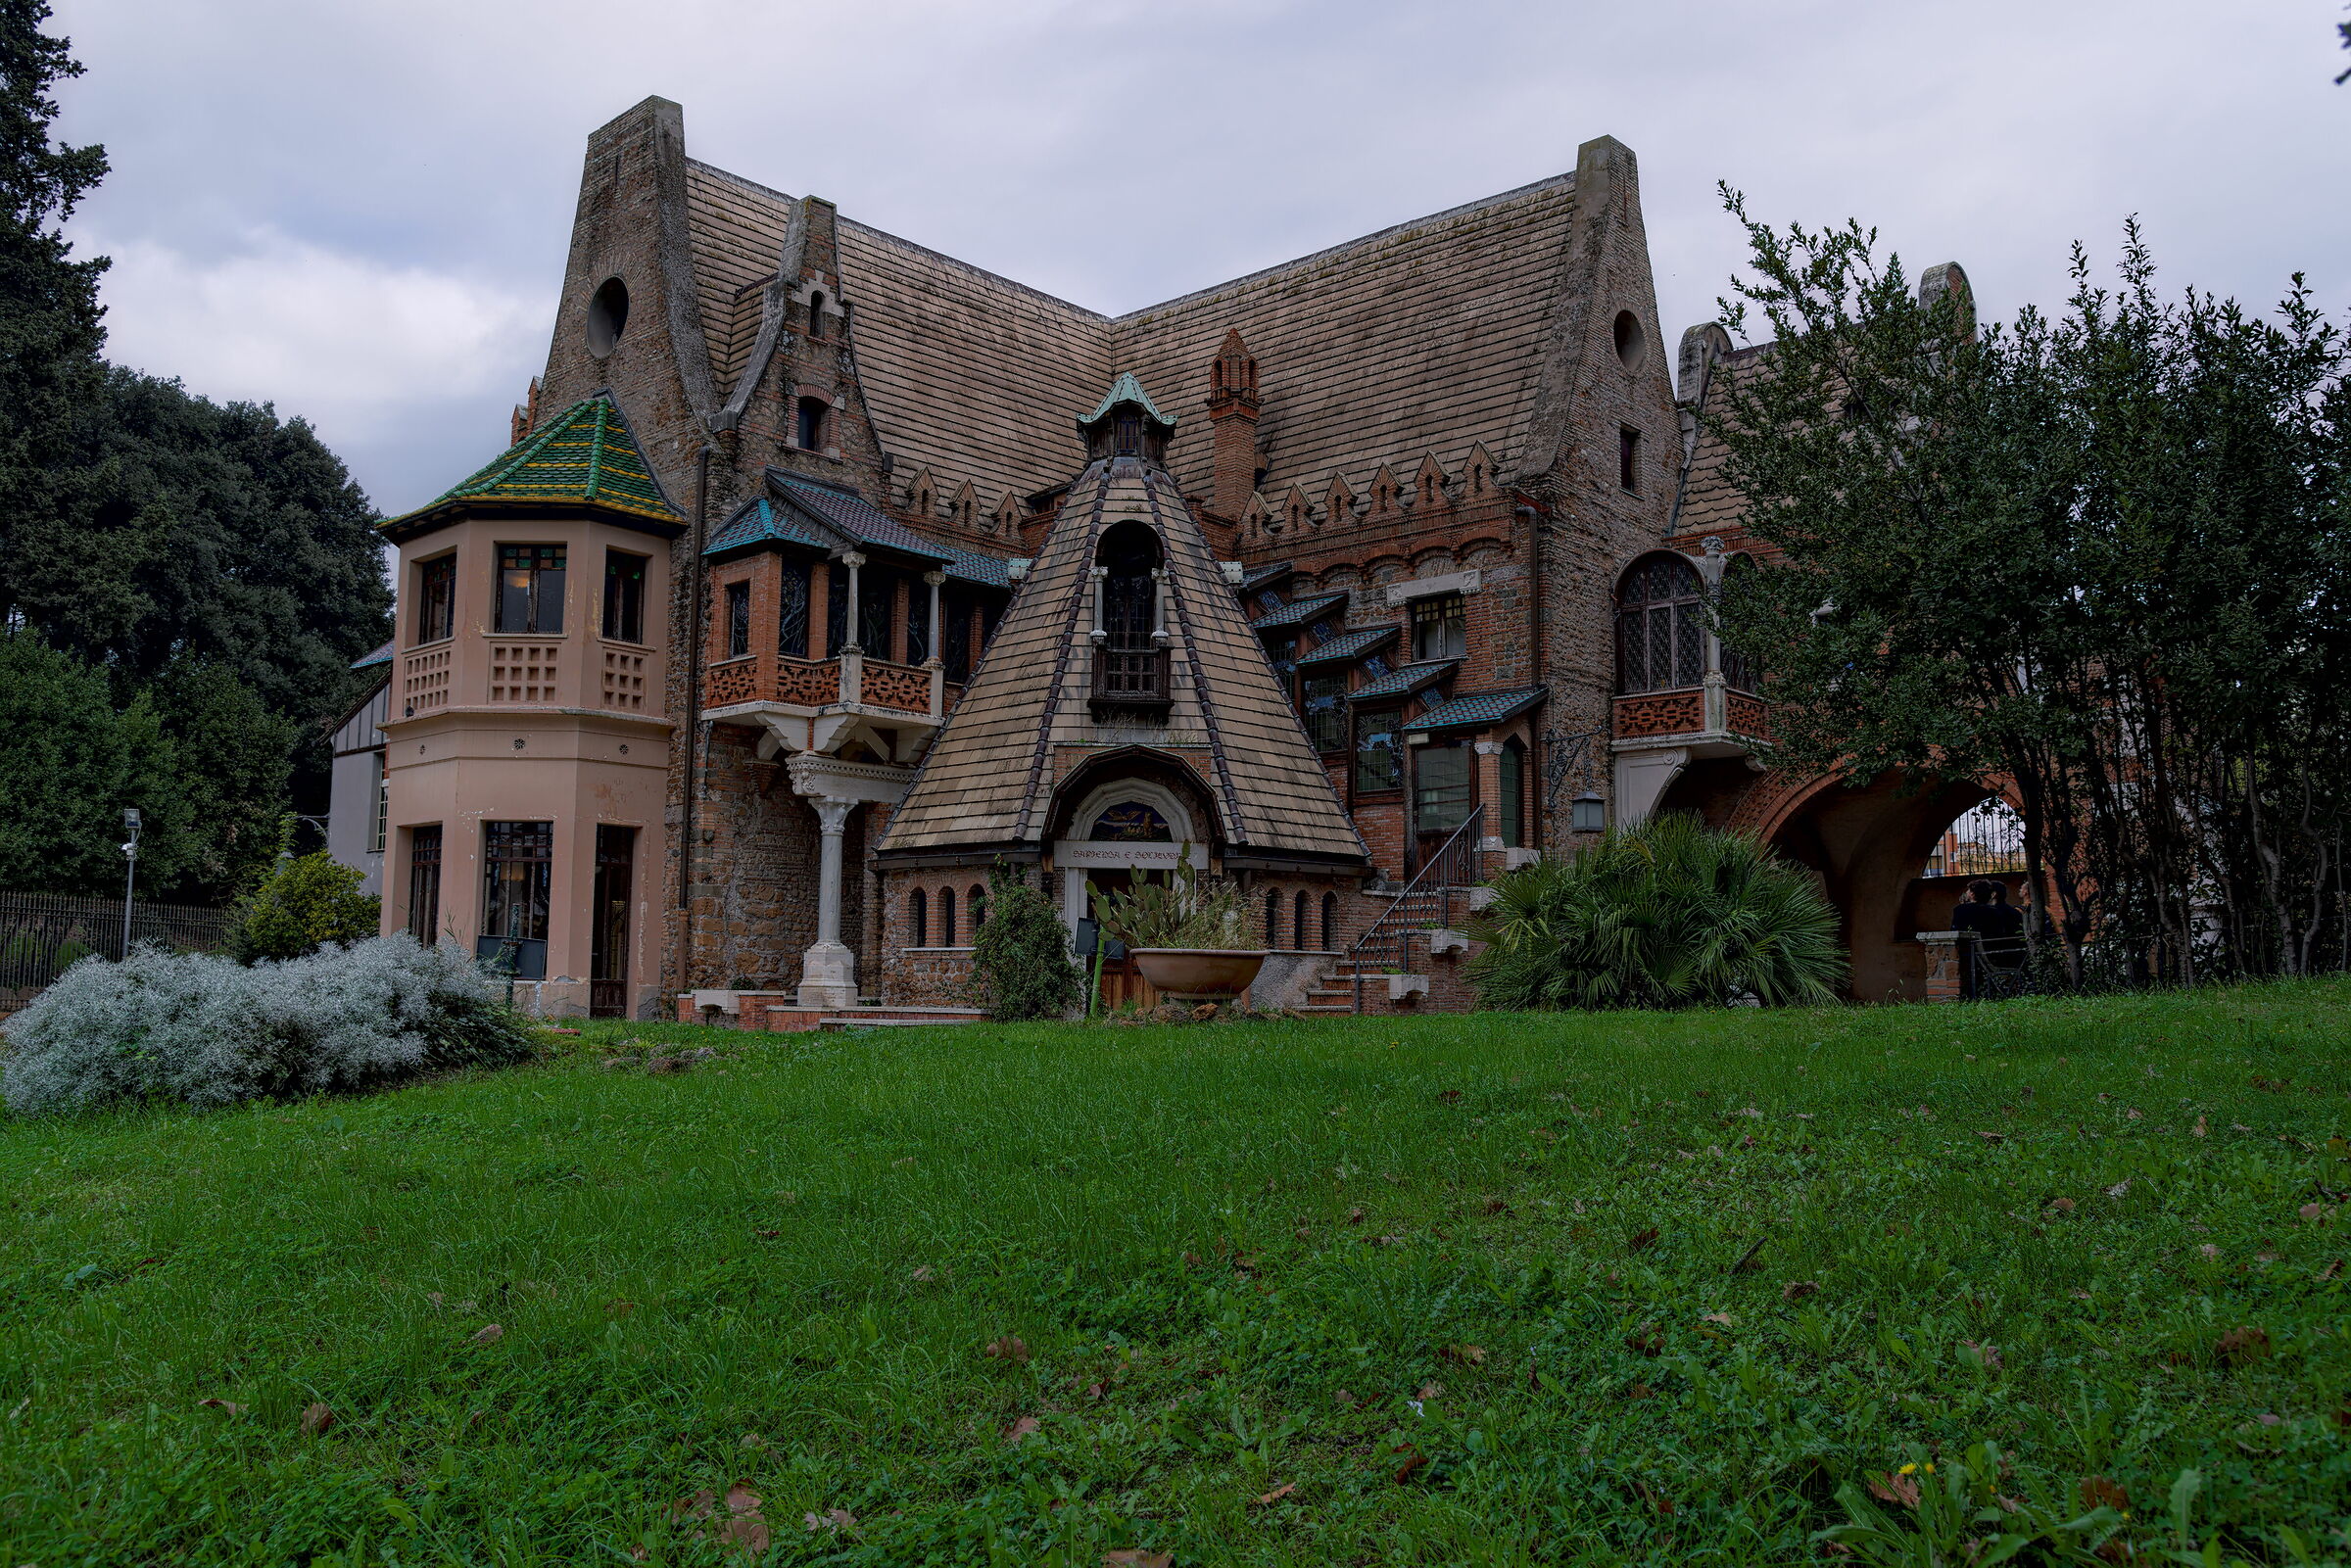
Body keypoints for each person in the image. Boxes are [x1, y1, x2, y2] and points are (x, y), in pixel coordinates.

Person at [1950, 879, 2026, 996]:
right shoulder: (1995, 912)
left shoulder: (1960, 910)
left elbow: (1954, 931)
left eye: (1969, 890)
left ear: (1971, 894)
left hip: (1973, 956)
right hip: (1996, 954)